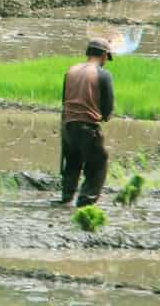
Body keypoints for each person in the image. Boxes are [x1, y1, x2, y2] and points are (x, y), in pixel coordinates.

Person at [60, 38, 115, 207]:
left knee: (72, 162)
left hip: (68, 125)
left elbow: (64, 99)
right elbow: (107, 105)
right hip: (87, 126)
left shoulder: (71, 71)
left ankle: (66, 198)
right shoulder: (103, 74)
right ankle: (86, 202)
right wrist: (105, 117)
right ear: (104, 55)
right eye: (107, 57)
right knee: (98, 163)